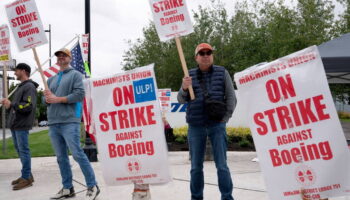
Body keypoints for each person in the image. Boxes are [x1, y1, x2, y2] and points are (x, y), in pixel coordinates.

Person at [177, 43, 236, 200]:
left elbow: (231, 98)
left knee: (222, 166)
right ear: (196, 57)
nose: (205, 55)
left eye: (208, 52)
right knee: (196, 167)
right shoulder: (188, 75)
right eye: (201, 53)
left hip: (217, 125)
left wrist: (224, 119)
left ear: (212, 55)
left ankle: (227, 197)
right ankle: (196, 197)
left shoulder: (222, 72)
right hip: (196, 127)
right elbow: (181, 100)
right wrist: (184, 87)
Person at [44, 48, 100, 200]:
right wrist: (47, 98)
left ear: (70, 58)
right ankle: (68, 188)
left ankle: (92, 185)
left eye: (64, 55)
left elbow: (80, 94)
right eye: (59, 56)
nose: (61, 57)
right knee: (61, 157)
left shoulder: (76, 75)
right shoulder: (50, 80)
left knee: (77, 154)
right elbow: (48, 102)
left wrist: (58, 99)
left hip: (69, 121)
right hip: (54, 122)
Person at [1, 63, 38, 190]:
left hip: (22, 124)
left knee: (24, 151)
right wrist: (9, 105)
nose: (15, 73)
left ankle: (26, 178)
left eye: (16, 70)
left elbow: (28, 106)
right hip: (16, 124)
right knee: (20, 150)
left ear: (23, 71)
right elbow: (17, 105)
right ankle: (27, 175)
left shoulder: (29, 87)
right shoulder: (21, 87)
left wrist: (12, 104)